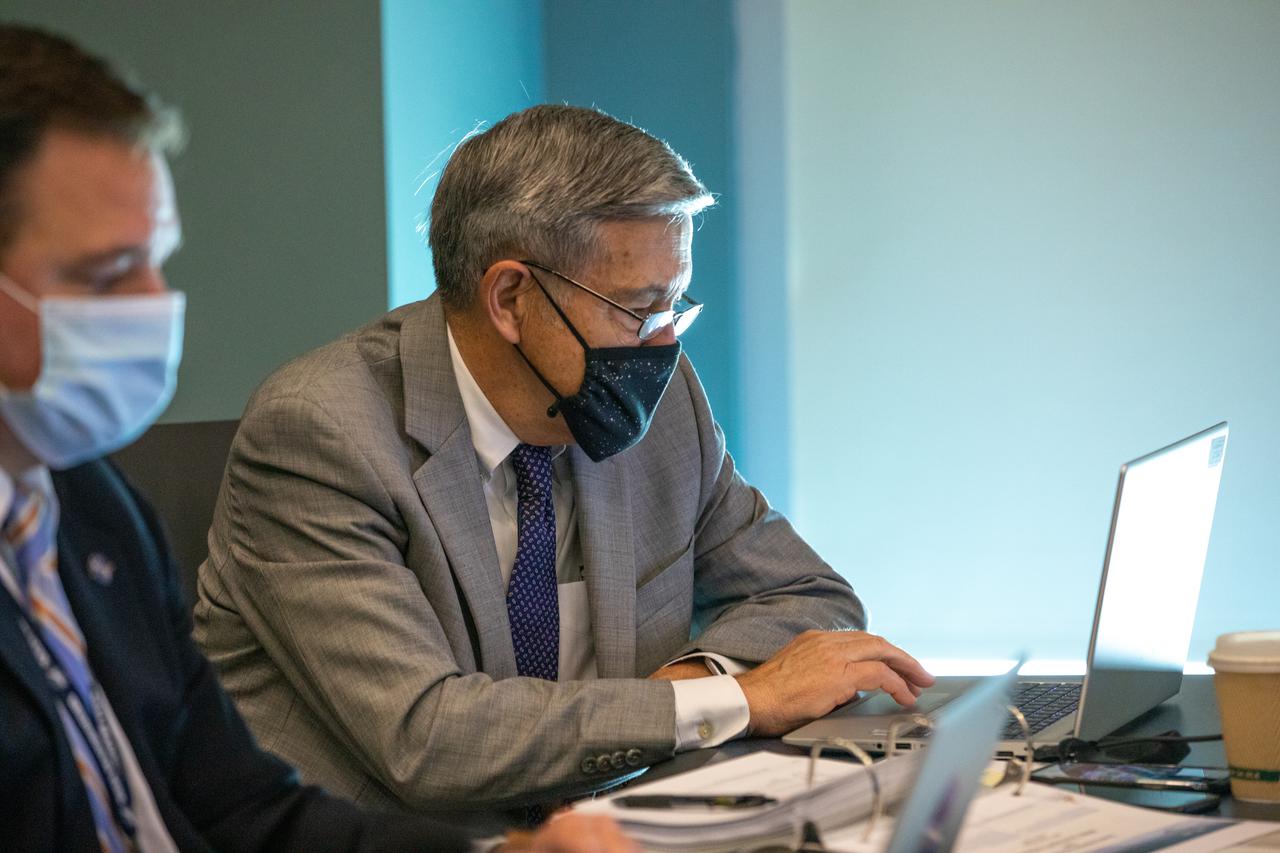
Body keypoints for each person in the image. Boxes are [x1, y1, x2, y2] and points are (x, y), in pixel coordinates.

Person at [194, 104, 935, 814]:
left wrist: (689, 684)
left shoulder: (662, 403)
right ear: (512, 298)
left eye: (674, 306)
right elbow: (429, 736)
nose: (663, 346)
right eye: (637, 309)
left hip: (608, 829)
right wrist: (737, 699)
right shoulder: (320, 434)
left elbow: (810, 597)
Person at [0, 23, 633, 852]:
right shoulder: (319, 426)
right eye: (104, 272)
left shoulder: (87, 502)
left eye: (155, 260)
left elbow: (249, 815)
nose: (157, 302)